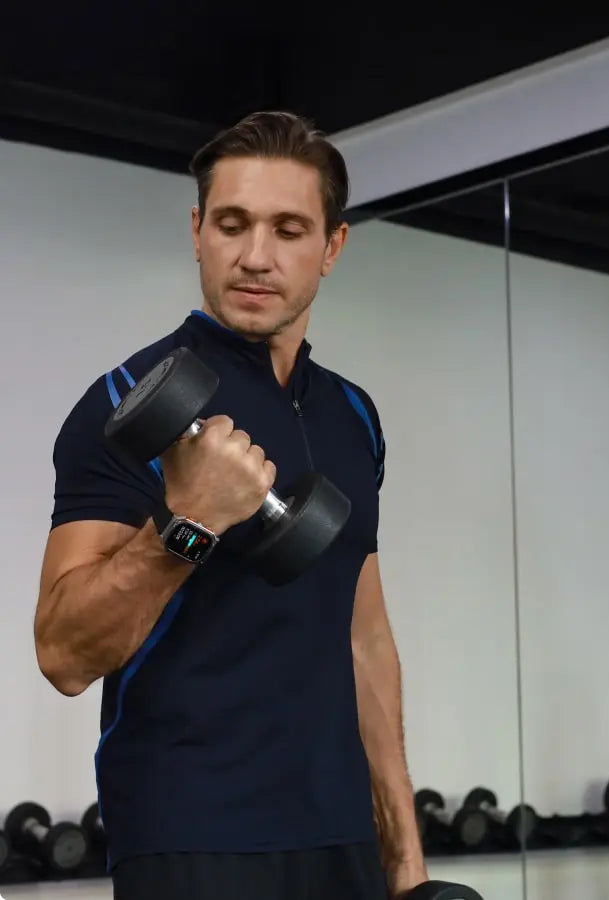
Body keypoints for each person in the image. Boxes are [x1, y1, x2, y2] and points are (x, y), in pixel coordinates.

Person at [34, 111, 428, 899]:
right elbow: (64, 655)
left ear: (332, 247)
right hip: (190, 836)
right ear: (197, 233)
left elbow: (364, 639)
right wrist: (191, 524)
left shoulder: (352, 416)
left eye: (288, 229)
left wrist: (404, 857)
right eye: (232, 224)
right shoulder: (123, 402)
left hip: (338, 835)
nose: (255, 256)